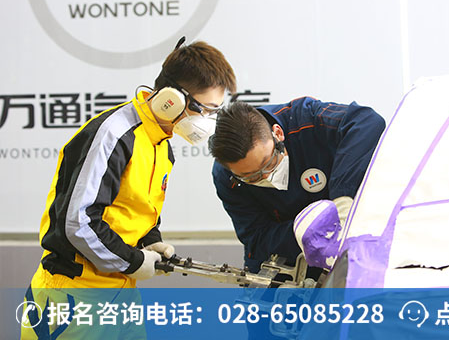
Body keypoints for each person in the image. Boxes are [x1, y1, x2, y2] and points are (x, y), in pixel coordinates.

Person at [21, 37, 236, 339]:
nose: (208, 120)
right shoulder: (114, 135)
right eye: (204, 109)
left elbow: (134, 210)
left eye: (215, 111)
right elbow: (78, 223)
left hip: (121, 292)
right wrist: (133, 260)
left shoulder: (161, 146)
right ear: (171, 99)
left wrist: (151, 240)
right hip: (74, 295)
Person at [208, 97, 385, 273]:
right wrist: (310, 231)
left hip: (350, 236)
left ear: (278, 134)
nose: (267, 177)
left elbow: (367, 122)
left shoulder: (305, 120)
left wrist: (343, 199)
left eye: (268, 163)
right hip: (284, 258)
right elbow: (257, 237)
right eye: (251, 177)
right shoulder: (226, 176)